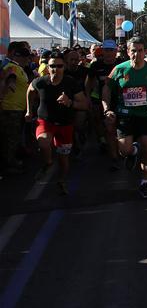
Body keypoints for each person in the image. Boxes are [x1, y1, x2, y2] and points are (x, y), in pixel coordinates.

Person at [102, 38, 147, 199]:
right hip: (125, 115)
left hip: (146, 115)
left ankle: (145, 183)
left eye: (140, 51)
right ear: (127, 52)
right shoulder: (119, 69)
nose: (136, 54)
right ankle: (132, 151)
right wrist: (107, 109)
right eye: (133, 50)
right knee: (124, 150)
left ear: (145, 52)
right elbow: (106, 89)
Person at [26, 50, 89, 194]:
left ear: (64, 67)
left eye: (59, 66)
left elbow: (84, 105)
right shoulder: (41, 82)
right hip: (46, 121)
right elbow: (30, 90)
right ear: (48, 67)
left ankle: (61, 181)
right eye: (53, 66)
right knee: (43, 142)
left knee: (63, 158)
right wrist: (29, 110)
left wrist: (70, 102)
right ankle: (48, 163)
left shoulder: (71, 83)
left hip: (65, 124)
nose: (56, 69)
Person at [86, 40, 120, 170]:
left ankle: (122, 150)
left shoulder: (122, 63)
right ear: (102, 51)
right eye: (106, 50)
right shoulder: (96, 65)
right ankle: (114, 157)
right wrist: (88, 98)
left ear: (116, 51)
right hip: (103, 101)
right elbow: (88, 83)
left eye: (111, 50)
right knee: (109, 129)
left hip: (122, 101)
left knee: (120, 131)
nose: (109, 53)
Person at [1, 41, 32, 176]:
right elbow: (10, 80)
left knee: (15, 137)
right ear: (17, 56)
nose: (27, 60)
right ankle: (8, 164)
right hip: (10, 110)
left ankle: (11, 161)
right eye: (25, 57)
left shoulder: (19, 68)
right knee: (10, 139)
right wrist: (10, 85)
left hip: (18, 109)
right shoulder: (11, 67)